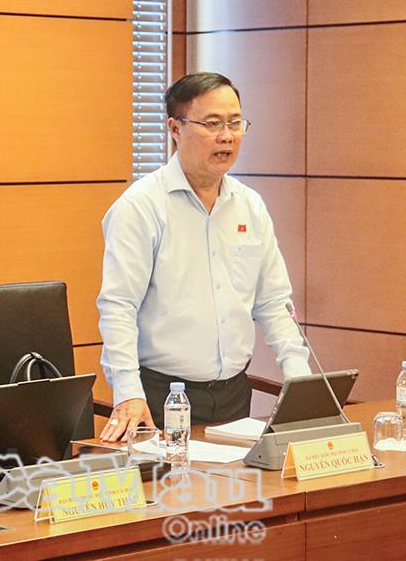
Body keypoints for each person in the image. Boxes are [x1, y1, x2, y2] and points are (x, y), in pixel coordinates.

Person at [97, 72, 312, 442]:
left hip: (233, 395)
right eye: (212, 124)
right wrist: (128, 393)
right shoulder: (141, 207)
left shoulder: (249, 205)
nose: (226, 136)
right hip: (162, 397)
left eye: (235, 123)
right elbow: (119, 306)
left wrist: (301, 380)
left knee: (239, 482)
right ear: (175, 128)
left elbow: (274, 302)